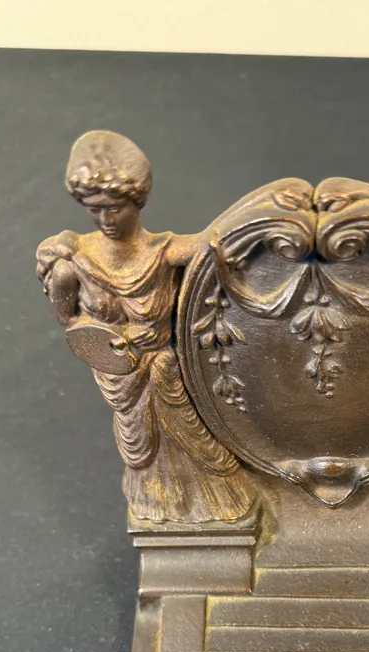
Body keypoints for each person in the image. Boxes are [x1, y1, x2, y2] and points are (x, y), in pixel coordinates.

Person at [36, 130, 254, 525]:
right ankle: (157, 511)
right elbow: (71, 323)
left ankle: (214, 509)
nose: (107, 219)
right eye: (95, 209)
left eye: (116, 208)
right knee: (141, 448)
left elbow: (221, 244)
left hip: (167, 370)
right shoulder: (72, 262)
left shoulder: (166, 253)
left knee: (193, 440)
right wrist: (106, 343)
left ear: (137, 201)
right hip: (122, 376)